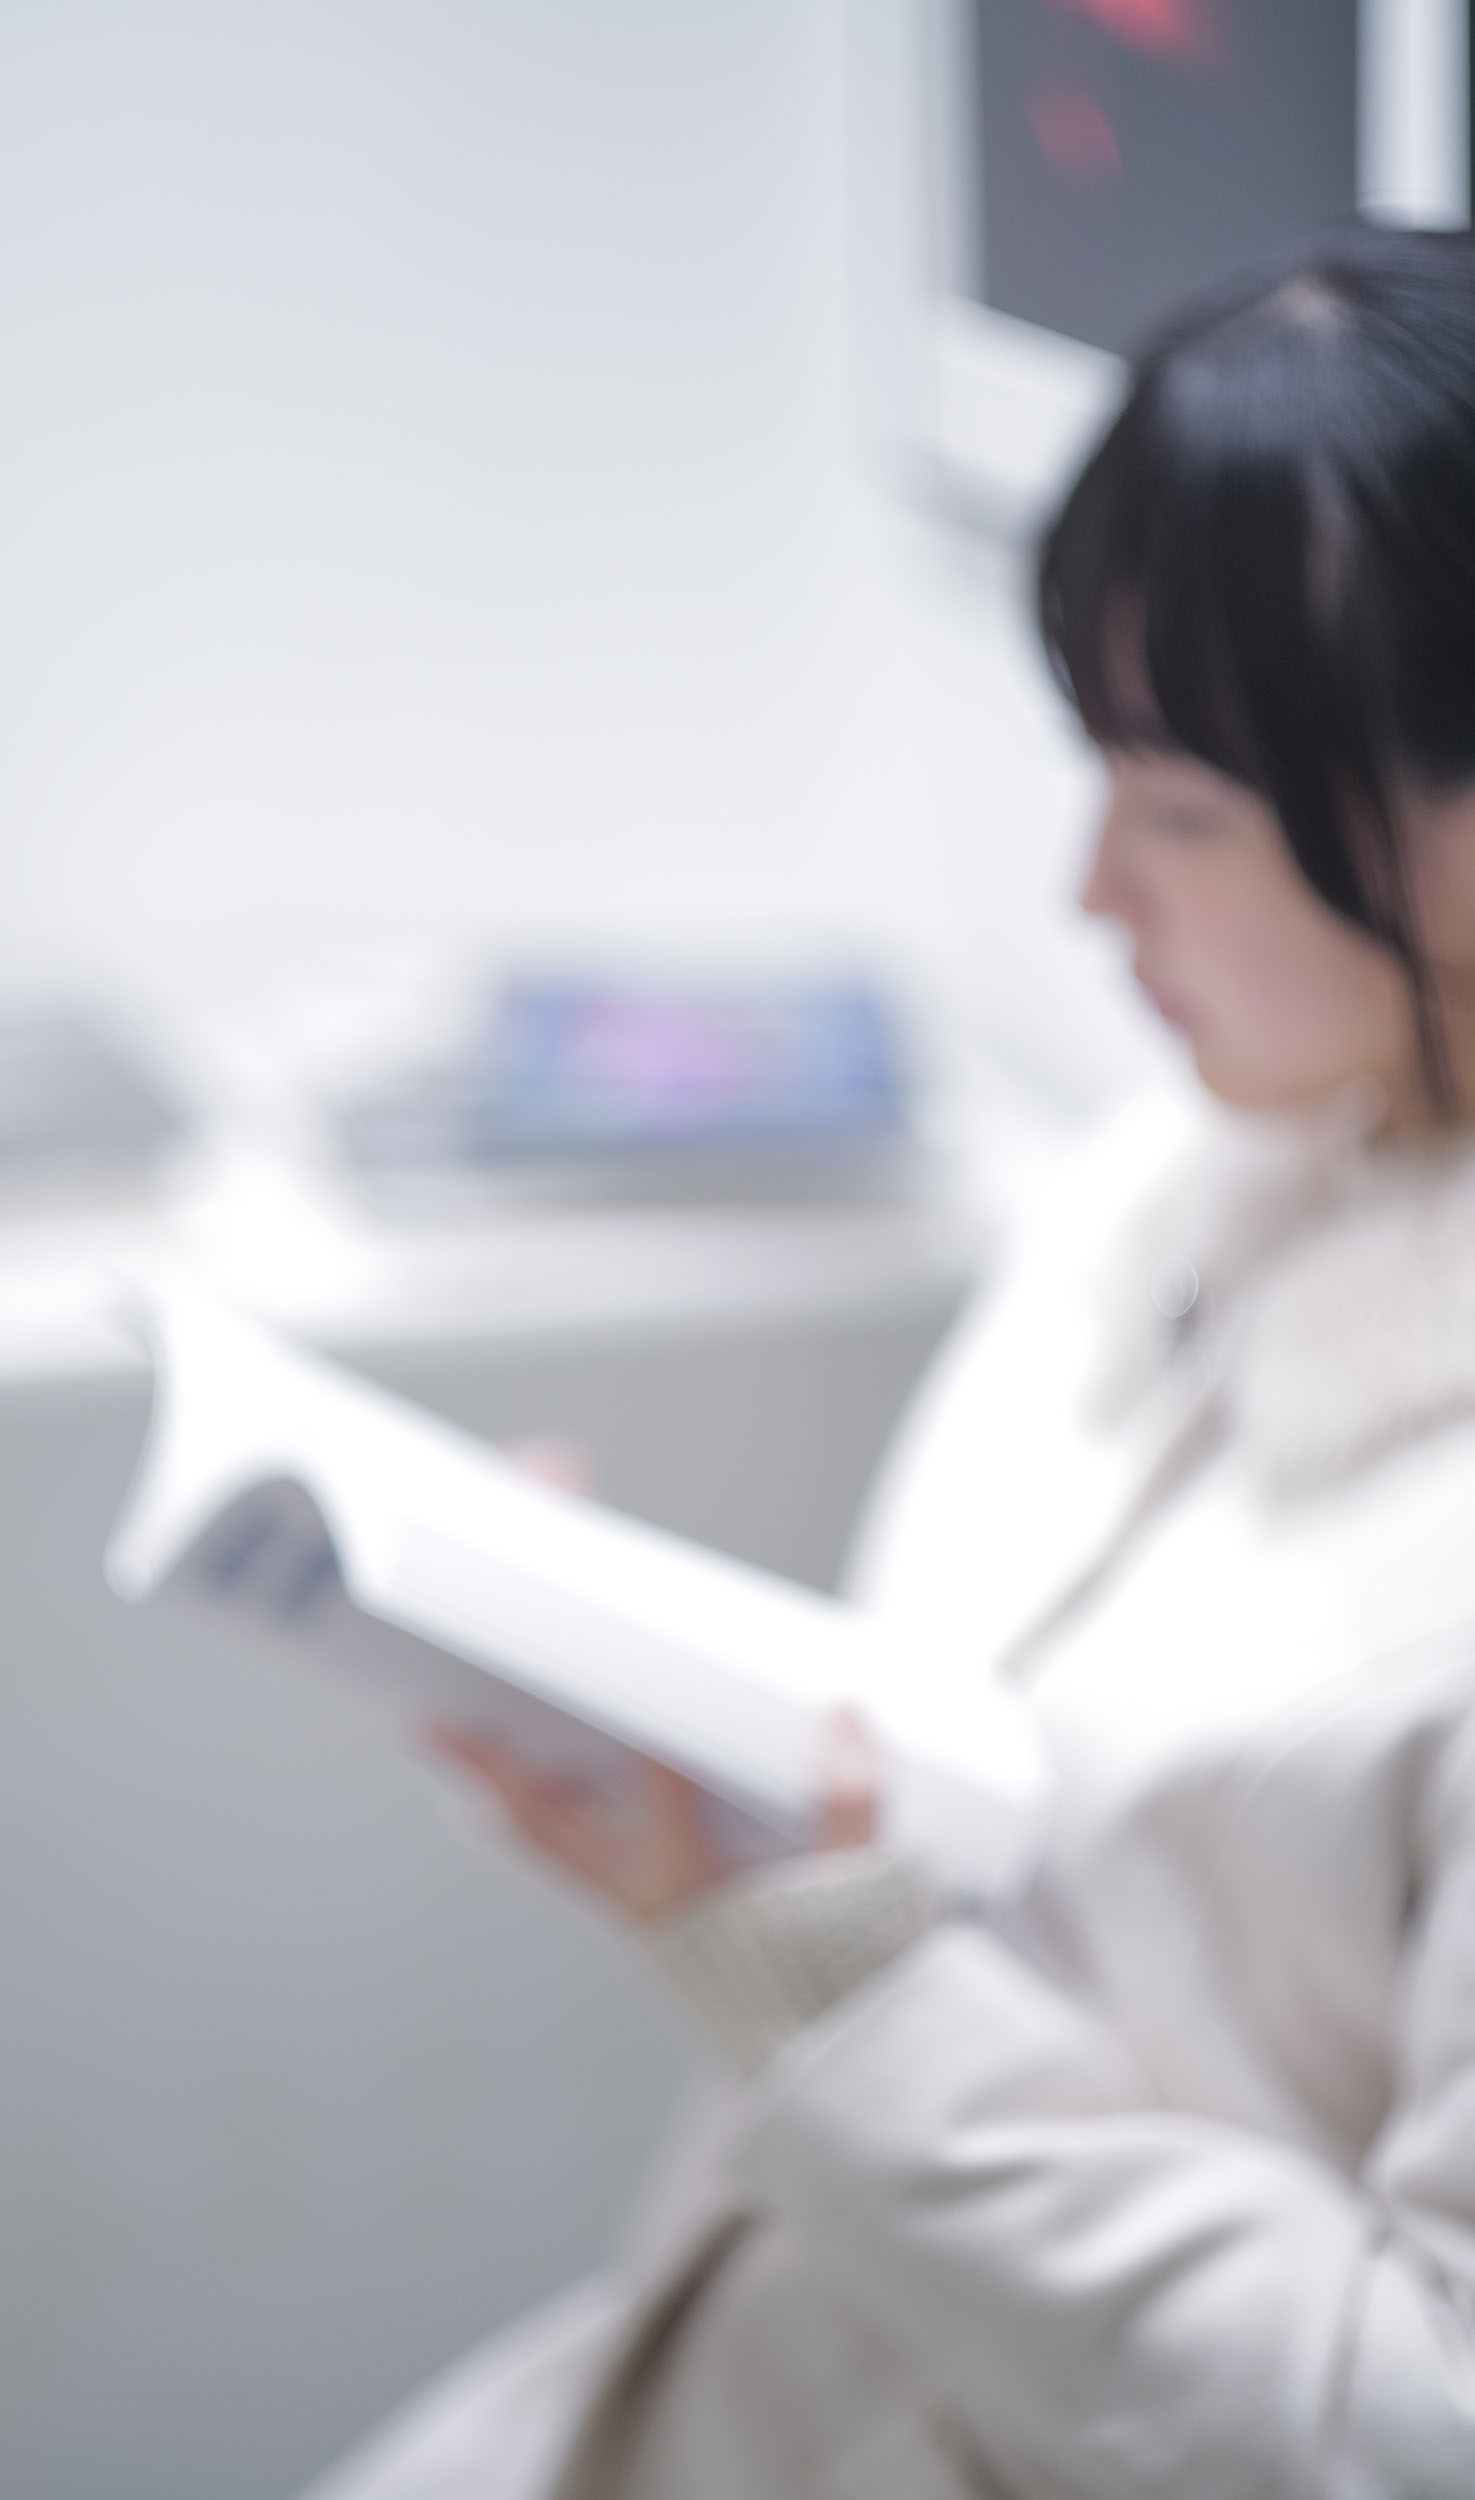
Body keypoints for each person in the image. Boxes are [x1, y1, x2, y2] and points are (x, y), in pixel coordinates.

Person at [302, 227, 1475, 2498]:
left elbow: (1424, 2425)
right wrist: (663, 1740)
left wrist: (830, 1985)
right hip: (748, 2380)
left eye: (1183, 810)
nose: (1088, 895)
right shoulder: (1182, 1176)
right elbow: (1006, 1810)